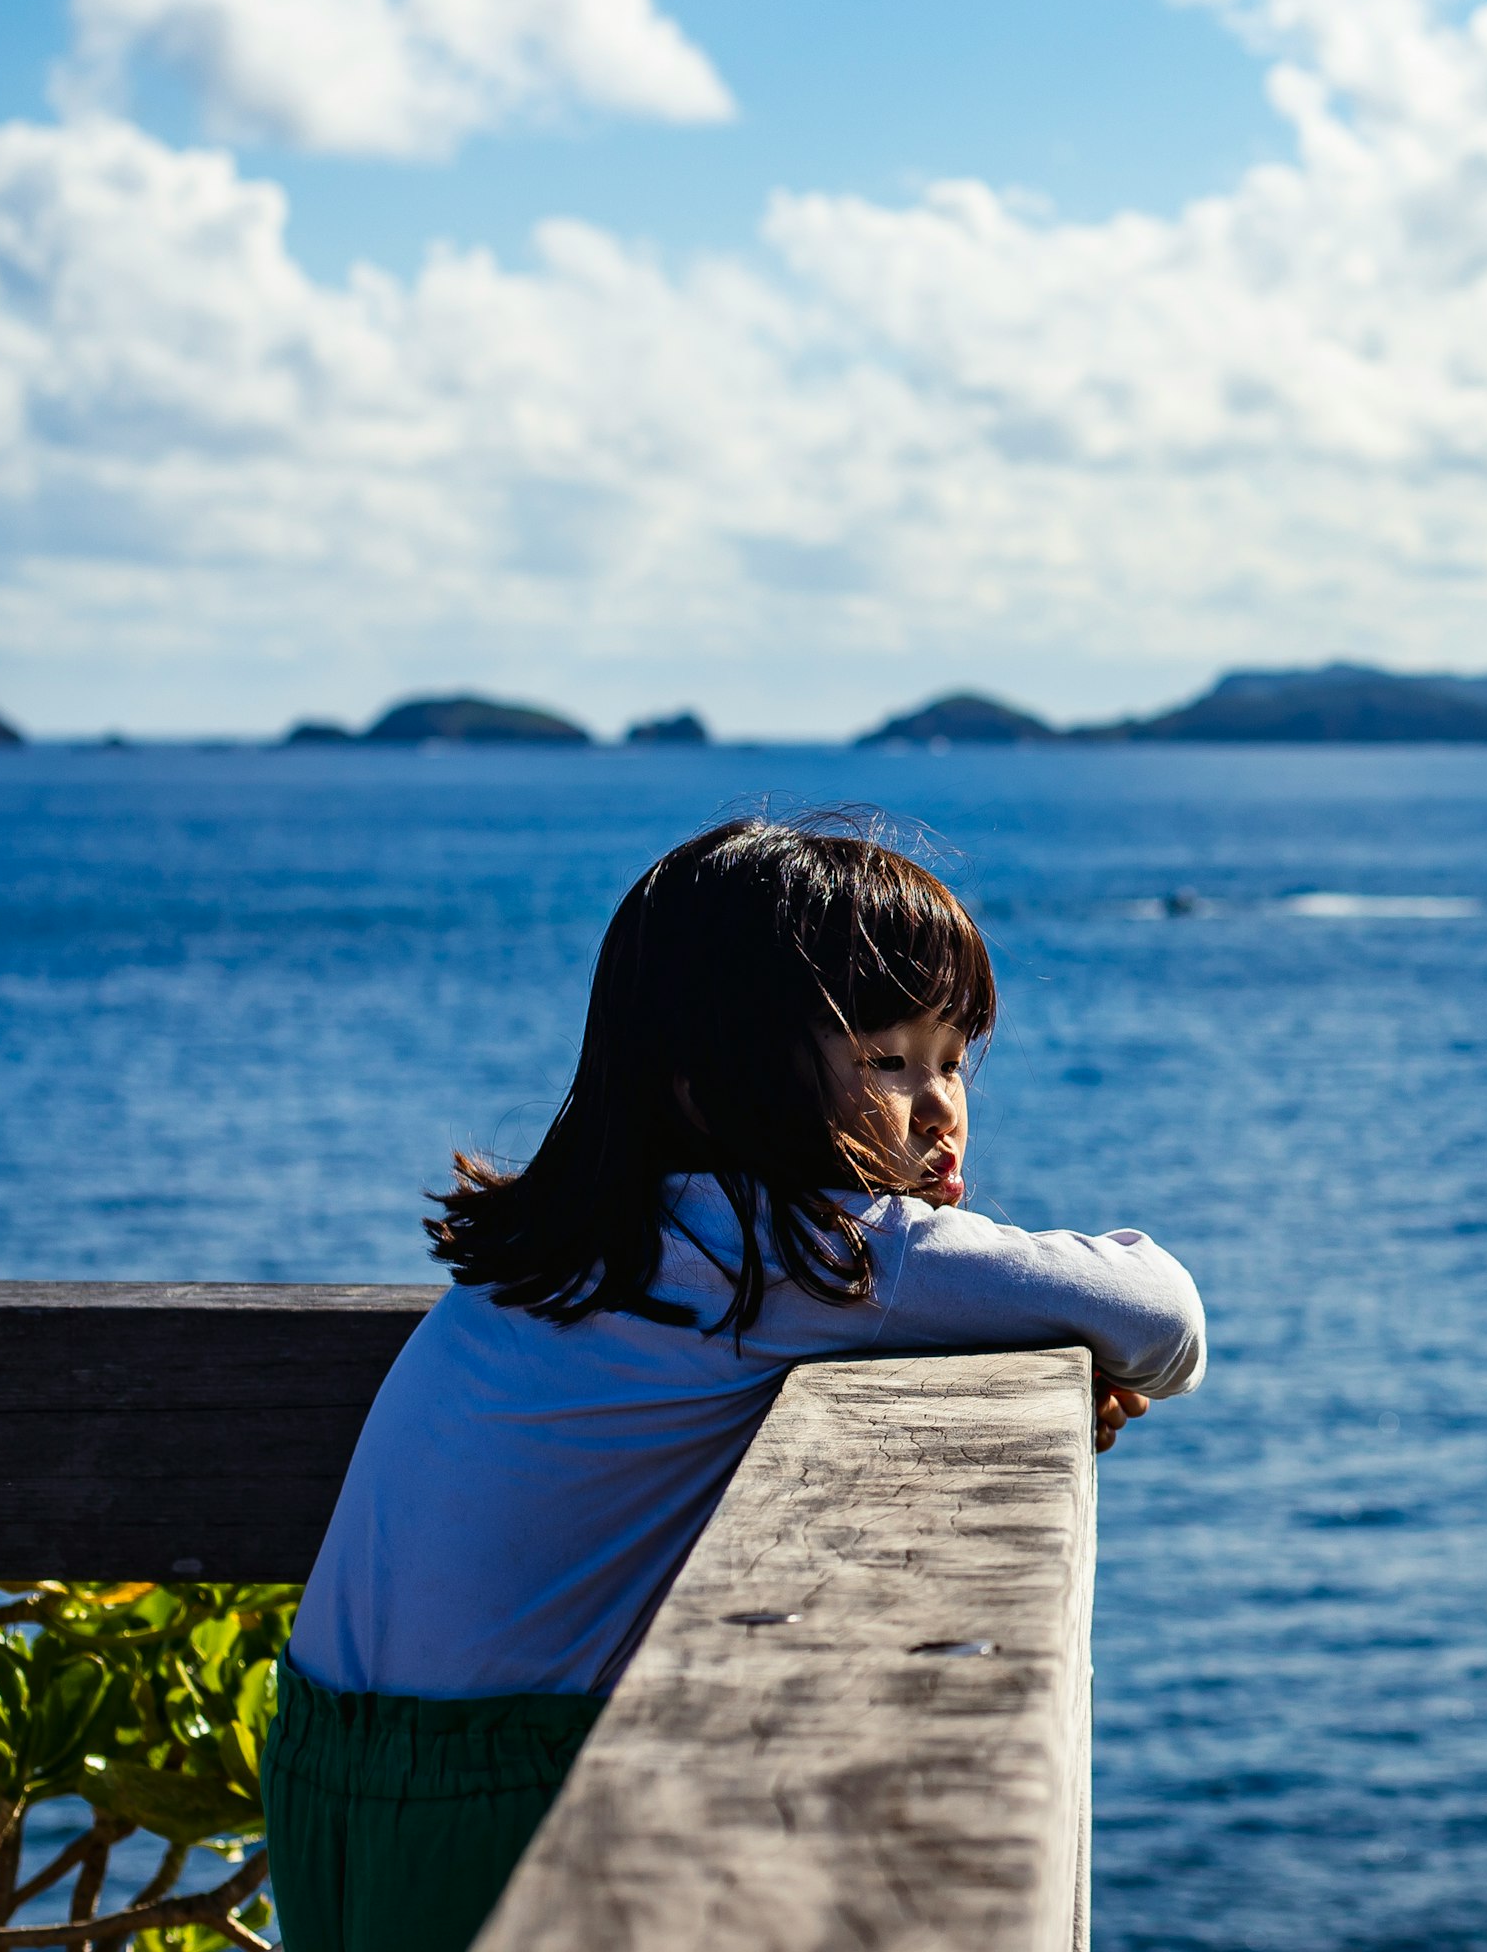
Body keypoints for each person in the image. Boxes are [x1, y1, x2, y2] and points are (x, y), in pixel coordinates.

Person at [263, 816, 1204, 1952]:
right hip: (512, 1777)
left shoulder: (582, 1248)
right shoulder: (793, 1248)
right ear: (711, 1085)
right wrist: (1053, 1338)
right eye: (887, 1061)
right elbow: (1162, 1313)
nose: (942, 1104)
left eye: (955, 1058)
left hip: (324, 1755)